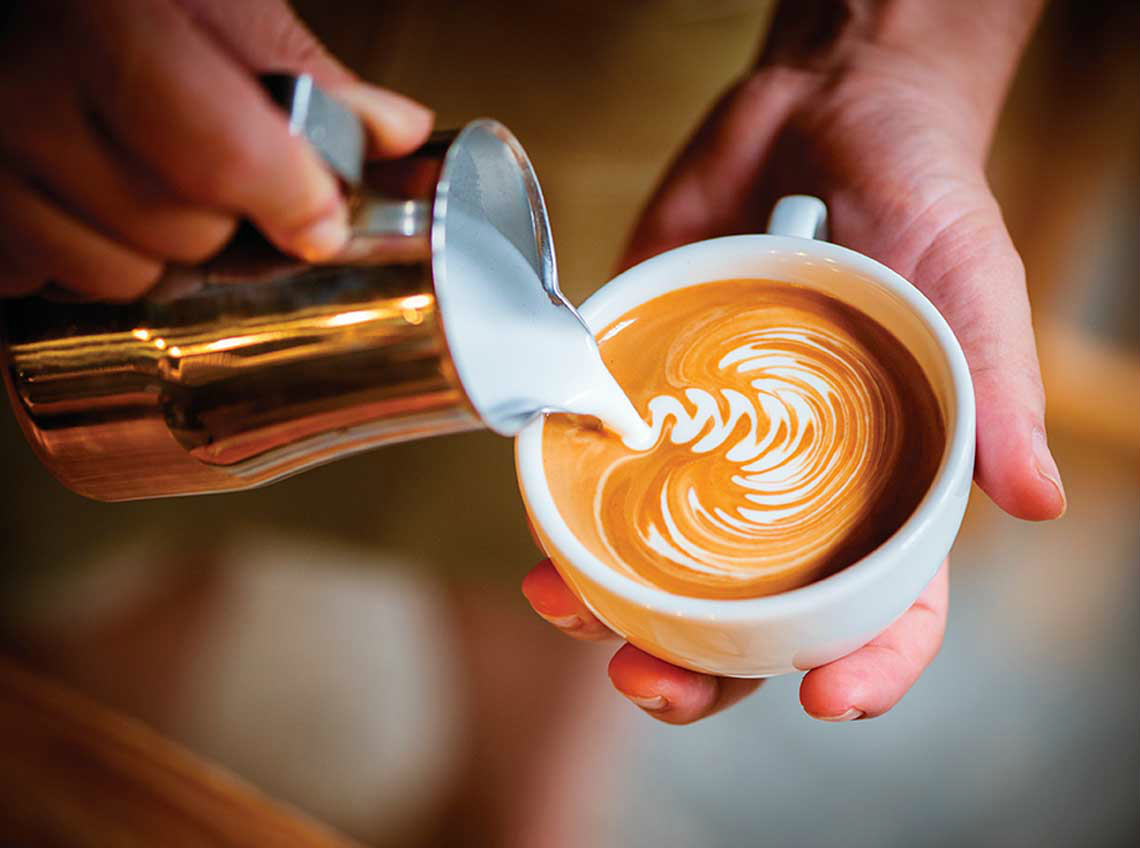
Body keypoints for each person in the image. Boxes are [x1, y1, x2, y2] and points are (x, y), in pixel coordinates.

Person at [0, 0, 1065, 725]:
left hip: (615, 69)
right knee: (110, 544)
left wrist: (885, 55)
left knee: (504, 572)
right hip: (99, 92)